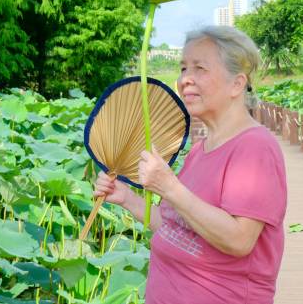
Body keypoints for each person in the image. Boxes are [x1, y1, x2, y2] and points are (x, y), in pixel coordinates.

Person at [93, 26, 287, 304]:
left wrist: (169, 186)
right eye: (183, 68)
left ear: (237, 83)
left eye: (200, 69)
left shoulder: (255, 148)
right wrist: (127, 199)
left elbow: (239, 240)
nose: (185, 79)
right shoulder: (200, 150)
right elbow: (176, 228)